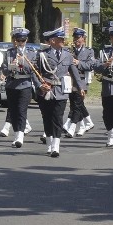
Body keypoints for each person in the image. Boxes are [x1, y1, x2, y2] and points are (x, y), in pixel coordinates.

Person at [33, 26, 86, 157]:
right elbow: (34, 72)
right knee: (47, 117)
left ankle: (56, 146)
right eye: (60, 39)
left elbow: (75, 73)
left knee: (58, 117)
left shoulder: (68, 55)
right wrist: (40, 85)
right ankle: (50, 143)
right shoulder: (42, 55)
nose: (63, 41)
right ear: (52, 41)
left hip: (61, 91)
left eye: (63, 38)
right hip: (46, 91)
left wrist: (80, 88)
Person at [0, 27, 38, 148]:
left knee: (22, 110)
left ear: (26, 40)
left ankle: (20, 136)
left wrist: (23, 63)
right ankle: (16, 133)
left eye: (23, 40)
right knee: (14, 111)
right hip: (12, 85)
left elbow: (33, 70)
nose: (21, 43)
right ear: (15, 40)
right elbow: (4, 69)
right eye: (18, 40)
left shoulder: (31, 53)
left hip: (25, 84)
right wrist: (11, 66)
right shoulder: (10, 52)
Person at [63, 27, 96, 137]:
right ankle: (84, 125)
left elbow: (91, 65)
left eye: (78, 38)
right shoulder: (69, 51)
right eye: (75, 38)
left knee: (77, 104)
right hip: (71, 81)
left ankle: (72, 127)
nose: (76, 40)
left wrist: (78, 63)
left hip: (82, 80)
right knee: (74, 104)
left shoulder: (89, 51)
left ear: (83, 39)